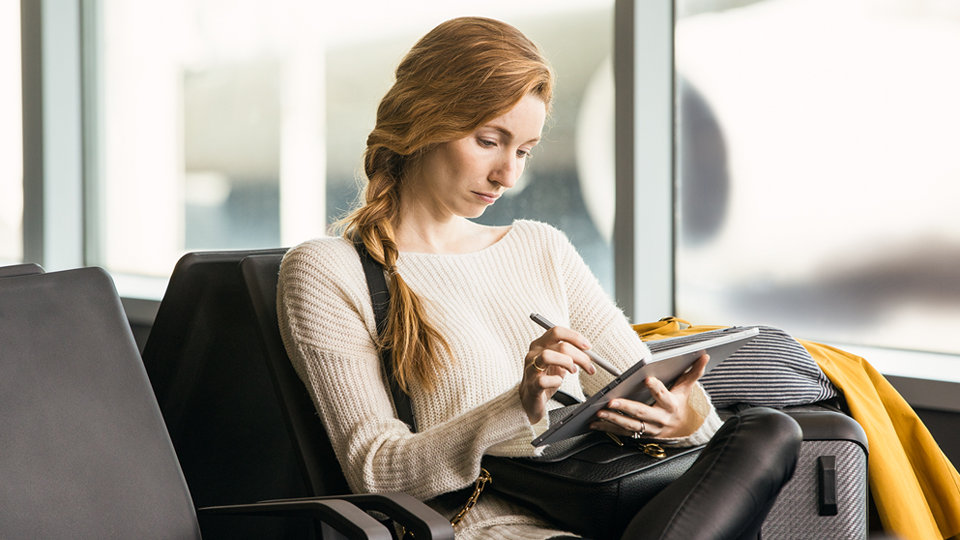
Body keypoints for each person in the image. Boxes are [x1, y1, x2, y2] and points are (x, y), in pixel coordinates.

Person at [278, 16, 802, 539]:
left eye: (524, 151)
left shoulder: (540, 246)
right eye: (489, 141)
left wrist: (680, 420)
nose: (509, 176)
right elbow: (375, 470)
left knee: (772, 431)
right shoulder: (329, 270)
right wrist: (519, 403)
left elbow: (663, 401)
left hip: (615, 509)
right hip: (494, 527)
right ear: (424, 121)